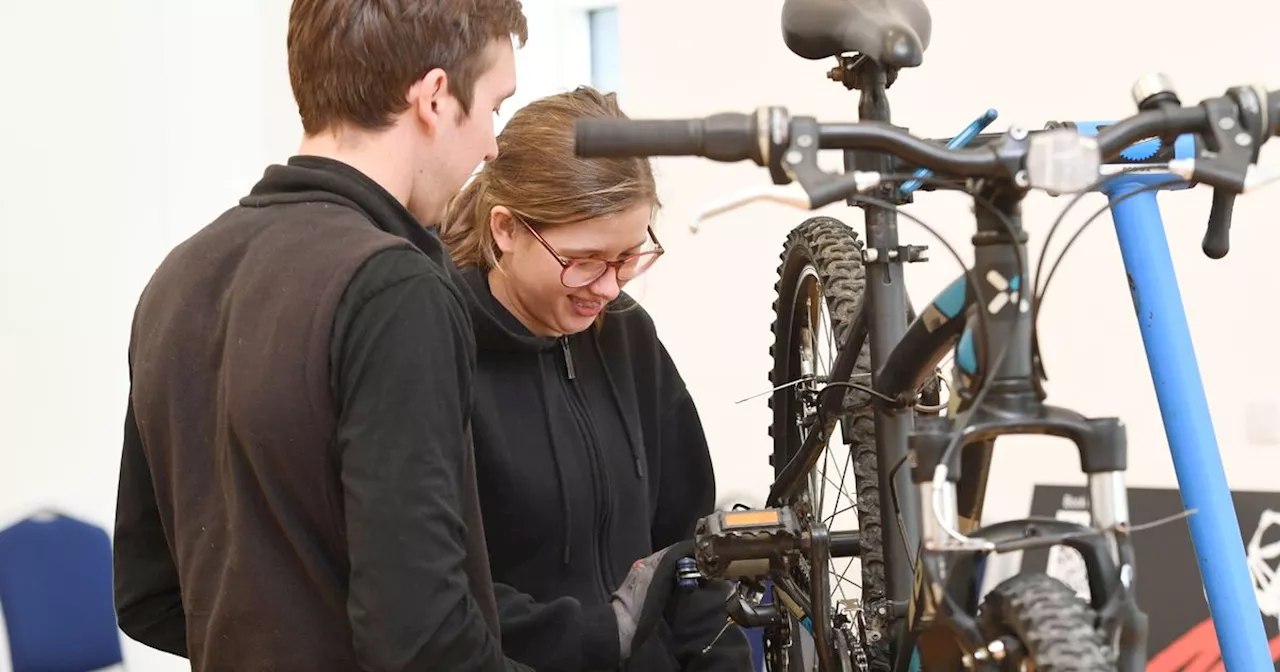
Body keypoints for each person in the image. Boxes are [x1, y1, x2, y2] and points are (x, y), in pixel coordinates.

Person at [111, 1, 538, 670]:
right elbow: (421, 639)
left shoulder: (175, 279)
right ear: (433, 98)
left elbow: (149, 594)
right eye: (493, 106)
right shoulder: (396, 292)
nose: (490, 144)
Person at [439, 86, 754, 672]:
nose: (609, 289)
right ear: (505, 229)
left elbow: (688, 550)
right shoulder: (439, 348)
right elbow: (440, 596)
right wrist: (596, 638)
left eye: (628, 257)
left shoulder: (627, 336)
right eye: (584, 260)